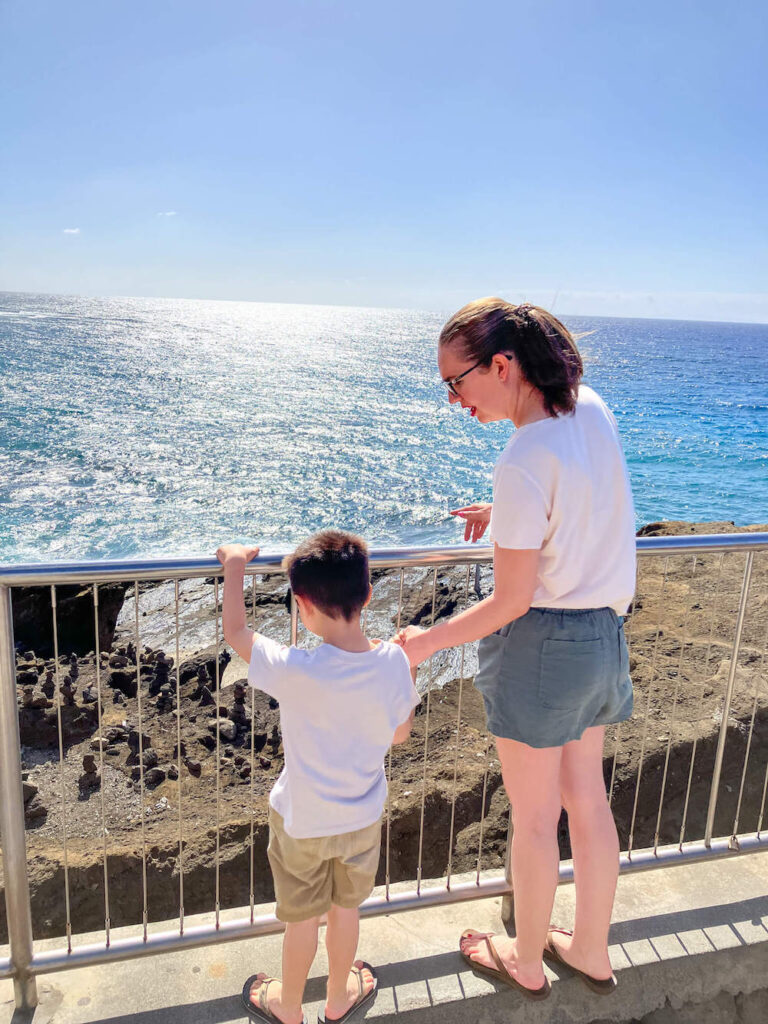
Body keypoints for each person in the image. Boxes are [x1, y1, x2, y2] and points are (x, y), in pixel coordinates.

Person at [395, 297, 635, 1000]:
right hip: (603, 635)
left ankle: (526, 960)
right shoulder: (590, 408)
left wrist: (423, 643)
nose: (453, 399)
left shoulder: (523, 456)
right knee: (587, 800)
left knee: (534, 819)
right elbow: (582, 497)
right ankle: (590, 946)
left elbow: (510, 602)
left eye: (457, 381)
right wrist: (506, 516)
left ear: (502, 365)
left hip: (543, 648)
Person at [217, 530, 420, 1024]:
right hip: (361, 819)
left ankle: (288, 1006)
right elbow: (400, 734)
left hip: (301, 821)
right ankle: (337, 999)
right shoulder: (394, 661)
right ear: (367, 594)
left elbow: (236, 634)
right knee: (346, 910)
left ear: (302, 606)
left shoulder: (296, 668)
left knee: (302, 920)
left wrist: (235, 566)